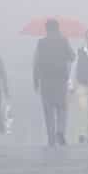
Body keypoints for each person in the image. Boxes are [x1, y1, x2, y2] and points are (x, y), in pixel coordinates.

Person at [33, 19, 75, 147]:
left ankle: (51, 138)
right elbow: (72, 56)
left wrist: (35, 80)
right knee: (62, 108)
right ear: (58, 28)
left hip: (45, 80)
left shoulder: (41, 43)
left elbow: (36, 62)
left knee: (48, 110)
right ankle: (60, 131)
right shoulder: (63, 41)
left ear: (47, 29)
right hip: (61, 79)